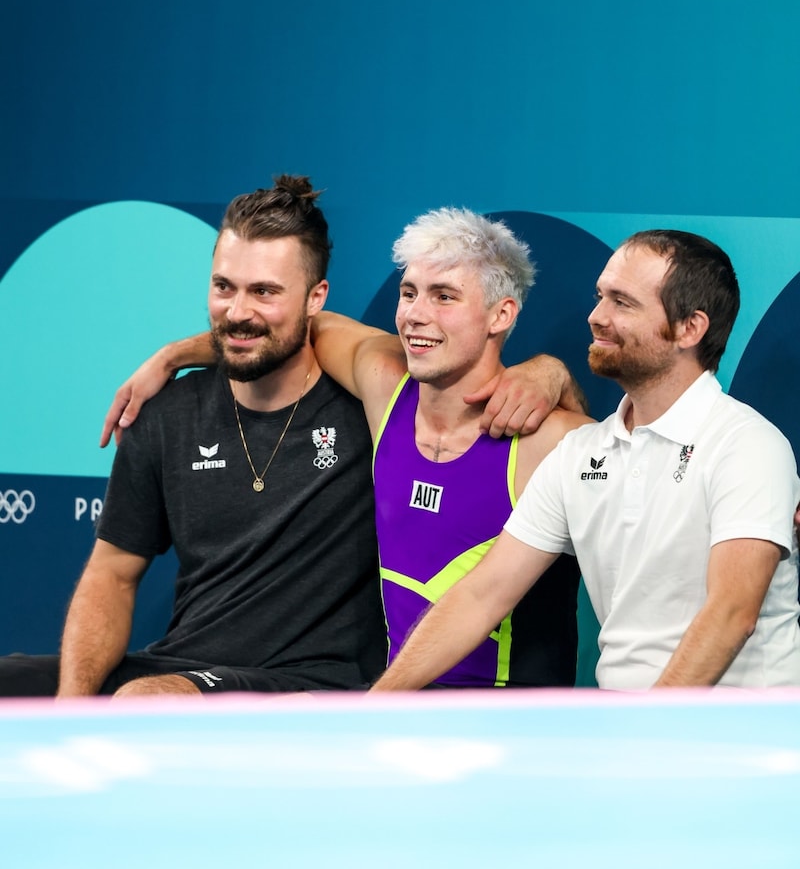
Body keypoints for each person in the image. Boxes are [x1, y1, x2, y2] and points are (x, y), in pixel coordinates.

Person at [0, 180, 575, 698]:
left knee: (146, 703)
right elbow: (281, 329)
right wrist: (176, 354)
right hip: (246, 679)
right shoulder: (376, 388)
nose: (417, 315)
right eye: (410, 293)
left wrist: (553, 371)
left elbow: (582, 450)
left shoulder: (402, 409)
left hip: (379, 693)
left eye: (444, 296)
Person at [370, 230, 800, 692]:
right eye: (600, 297)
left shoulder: (747, 444)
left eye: (622, 302)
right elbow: (482, 595)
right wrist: (375, 704)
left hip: (742, 738)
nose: (596, 317)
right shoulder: (580, 453)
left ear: (689, 329)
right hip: (627, 732)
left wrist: (647, 735)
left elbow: (732, 615)